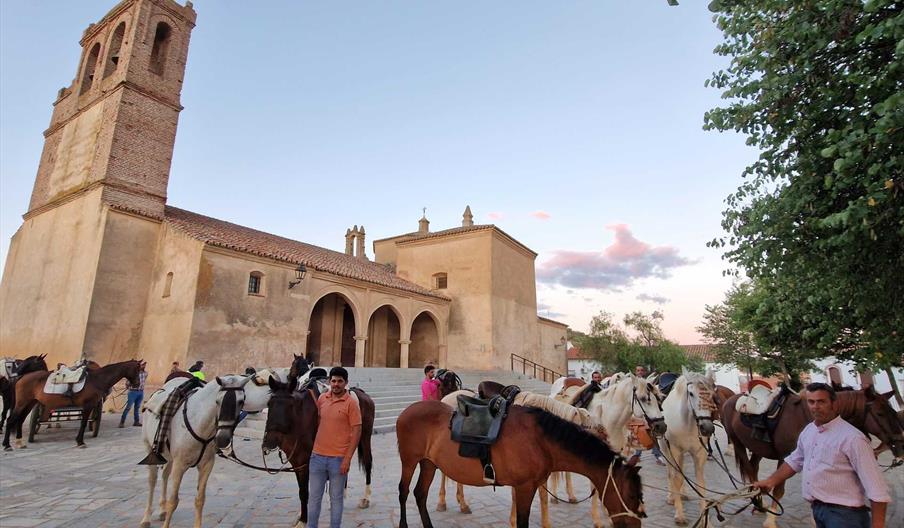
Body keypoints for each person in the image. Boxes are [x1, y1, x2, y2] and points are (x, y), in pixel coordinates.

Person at [753, 382, 889, 528]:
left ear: (834, 404)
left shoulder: (853, 438)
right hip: (818, 510)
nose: (815, 407)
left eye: (821, 401)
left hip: (845, 516)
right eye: (811, 402)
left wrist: (877, 525)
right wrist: (771, 481)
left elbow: (877, 490)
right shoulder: (809, 431)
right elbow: (795, 460)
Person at [308, 366, 361, 528]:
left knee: (336, 499)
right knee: (314, 498)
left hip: (338, 460)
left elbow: (357, 431)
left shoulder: (351, 404)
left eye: (340, 381)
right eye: (333, 381)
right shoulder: (322, 399)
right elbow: (318, 422)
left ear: (346, 383)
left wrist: (347, 459)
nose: (336, 384)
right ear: (329, 382)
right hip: (317, 457)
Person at [632, 365, 666, 465]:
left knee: (653, 432)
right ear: (635, 372)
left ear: (644, 372)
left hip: (648, 413)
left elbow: (655, 396)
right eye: (638, 370)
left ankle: (657, 454)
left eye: (641, 370)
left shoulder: (648, 384)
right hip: (637, 414)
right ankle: (637, 454)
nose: (640, 372)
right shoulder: (633, 384)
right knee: (638, 433)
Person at [119, 361, 148, 427]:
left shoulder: (145, 373)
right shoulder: (133, 373)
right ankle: (122, 422)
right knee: (128, 407)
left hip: (141, 392)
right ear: (139, 366)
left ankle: (136, 422)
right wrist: (130, 385)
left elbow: (143, 382)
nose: (144, 366)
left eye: (144, 365)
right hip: (133, 392)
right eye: (142, 365)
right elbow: (127, 383)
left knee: (137, 408)